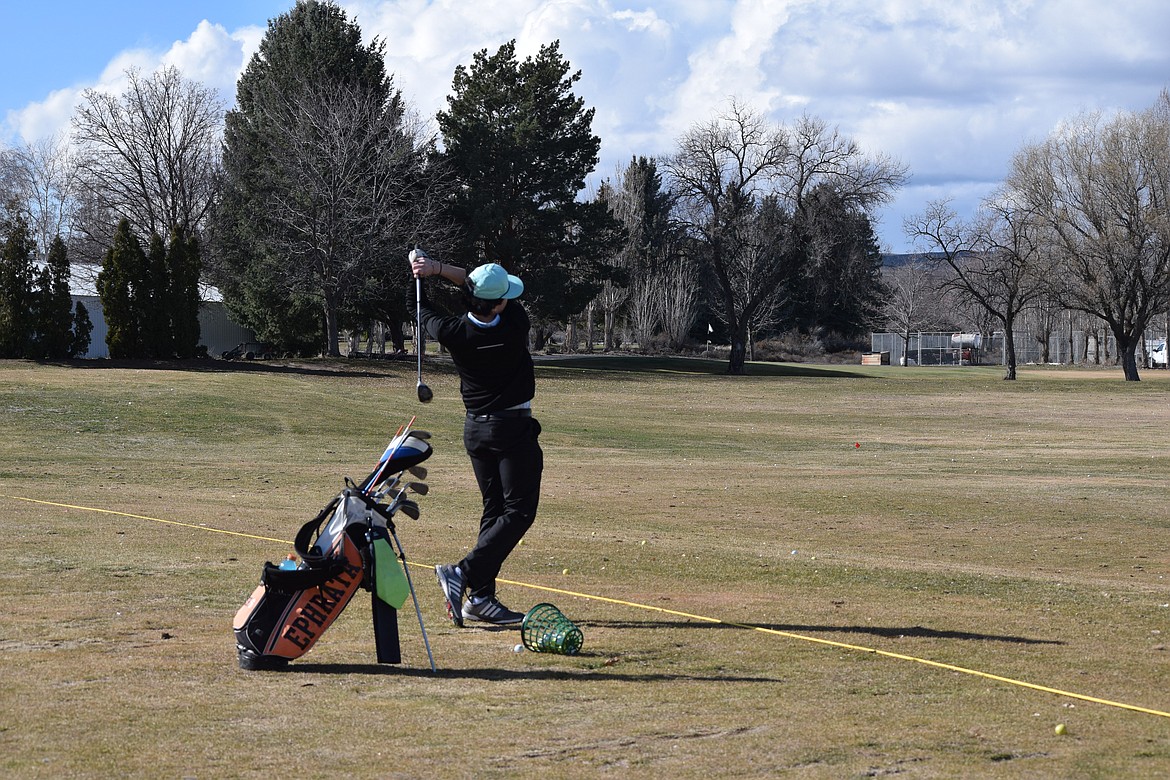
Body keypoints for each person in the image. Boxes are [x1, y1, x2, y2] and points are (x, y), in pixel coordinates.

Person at [407, 248, 543, 627]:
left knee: (495, 512)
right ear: (500, 303)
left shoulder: (454, 332)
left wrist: (420, 274)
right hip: (512, 429)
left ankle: (481, 599)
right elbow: (469, 279)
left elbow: (418, 309)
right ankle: (462, 574)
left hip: (477, 431)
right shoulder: (515, 322)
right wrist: (438, 268)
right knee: (518, 513)